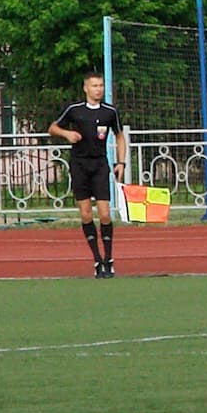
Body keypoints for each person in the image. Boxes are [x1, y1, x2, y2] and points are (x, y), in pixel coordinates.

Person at [48, 73, 127, 278]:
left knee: (105, 214)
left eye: (100, 85)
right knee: (85, 214)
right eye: (94, 86)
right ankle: (97, 260)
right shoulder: (75, 110)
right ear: (86, 88)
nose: (98, 89)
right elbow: (53, 127)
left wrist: (121, 162)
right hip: (79, 165)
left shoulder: (110, 112)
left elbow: (119, 137)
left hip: (100, 164)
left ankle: (109, 259)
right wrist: (67, 134)